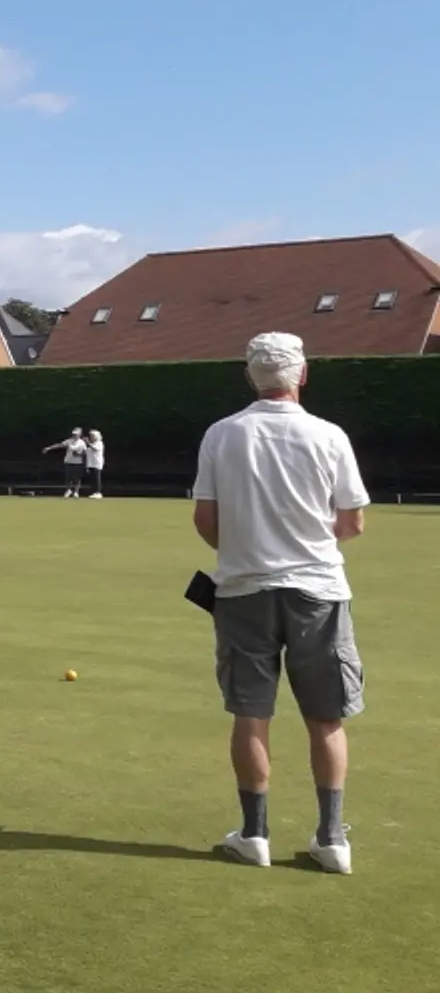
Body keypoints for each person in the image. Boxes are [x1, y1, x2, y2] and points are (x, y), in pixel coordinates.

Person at [192, 332, 368, 875]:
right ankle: (331, 838)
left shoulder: (222, 434)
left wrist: (246, 549)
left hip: (243, 589)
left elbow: (206, 520)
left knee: (251, 713)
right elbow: (353, 521)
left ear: (250, 376)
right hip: (319, 590)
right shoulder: (329, 434)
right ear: (303, 374)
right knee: (326, 717)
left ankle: (254, 834)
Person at [43, 428, 87, 497]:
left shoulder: (82, 443)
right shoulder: (69, 441)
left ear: (79, 435)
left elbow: (85, 453)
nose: (74, 435)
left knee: (77, 478)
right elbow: (60, 445)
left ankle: (76, 492)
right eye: (74, 434)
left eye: (76, 434)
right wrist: (49, 448)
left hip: (78, 463)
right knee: (68, 478)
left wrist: (78, 455)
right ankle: (68, 490)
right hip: (68, 461)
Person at [83, 429, 106, 499]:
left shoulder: (99, 443)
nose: (91, 437)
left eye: (92, 436)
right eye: (90, 436)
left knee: (97, 478)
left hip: (97, 463)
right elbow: (86, 452)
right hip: (91, 464)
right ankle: (94, 492)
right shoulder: (91, 444)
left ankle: (98, 492)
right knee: (92, 479)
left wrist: (88, 443)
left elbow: (95, 449)